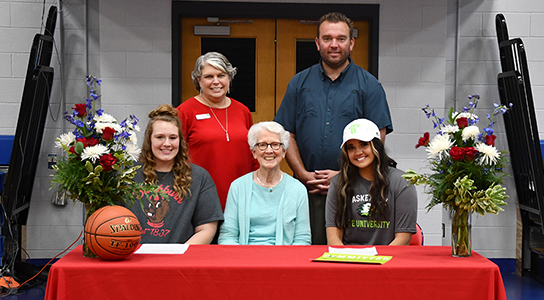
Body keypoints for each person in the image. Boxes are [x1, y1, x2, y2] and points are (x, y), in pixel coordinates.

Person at [274, 12, 393, 245]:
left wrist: (343, 174)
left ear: (351, 43)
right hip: (307, 192)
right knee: (306, 252)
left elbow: (377, 138)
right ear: (318, 43)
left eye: (341, 38)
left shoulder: (369, 85)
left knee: (348, 256)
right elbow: (285, 133)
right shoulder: (299, 84)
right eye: (327, 38)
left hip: (354, 190)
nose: (334, 45)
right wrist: (302, 174)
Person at [128, 104, 223, 244]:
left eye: (172, 138)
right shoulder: (129, 175)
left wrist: (179, 256)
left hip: (180, 260)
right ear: (149, 140)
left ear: (180, 141)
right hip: (135, 259)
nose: (167, 143)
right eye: (160, 137)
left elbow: (207, 228)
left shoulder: (198, 177)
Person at [177, 52, 257, 212]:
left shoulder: (243, 111)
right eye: (208, 76)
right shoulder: (184, 111)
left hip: (241, 200)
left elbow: (253, 157)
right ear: (198, 80)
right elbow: (175, 157)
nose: (216, 82)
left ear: (229, 77)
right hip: (200, 201)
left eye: (221, 75)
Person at [325, 119, 417, 245]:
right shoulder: (338, 183)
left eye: (363, 144)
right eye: (351, 148)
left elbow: (403, 239)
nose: (358, 152)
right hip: (349, 260)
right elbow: (333, 238)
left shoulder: (402, 182)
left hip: (387, 260)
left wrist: (377, 262)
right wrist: (349, 262)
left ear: (376, 146)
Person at [218, 121, 311, 245]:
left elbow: (302, 240)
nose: (269, 150)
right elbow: (227, 237)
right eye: (262, 145)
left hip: (284, 260)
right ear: (254, 152)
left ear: (284, 152)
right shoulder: (238, 187)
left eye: (275, 145)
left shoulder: (298, 189)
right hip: (244, 259)